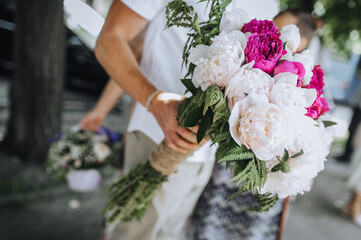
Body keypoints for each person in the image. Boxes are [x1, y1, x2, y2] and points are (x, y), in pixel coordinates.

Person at [86, 1, 221, 240]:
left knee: (170, 233)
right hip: (155, 135)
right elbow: (114, 40)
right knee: (131, 233)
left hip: (206, 155)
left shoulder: (269, 5)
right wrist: (154, 101)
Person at [190, 9, 321, 240]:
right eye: (273, 28)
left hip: (262, 188)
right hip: (221, 183)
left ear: (303, 41)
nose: (274, 37)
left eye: (281, 32)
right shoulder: (247, 69)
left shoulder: (311, 89)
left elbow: (310, 154)